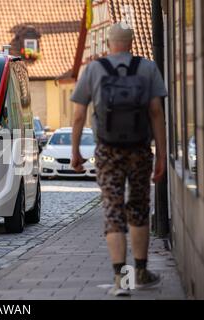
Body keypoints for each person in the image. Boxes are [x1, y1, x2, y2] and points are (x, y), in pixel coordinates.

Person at [70, 23, 168, 296]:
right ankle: (141, 272)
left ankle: (121, 282)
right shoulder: (148, 68)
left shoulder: (94, 69)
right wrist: (161, 153)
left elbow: (78, 115)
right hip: (139, 150)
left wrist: (75, 151)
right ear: (132, 42)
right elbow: (156, 112)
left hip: (107, 151)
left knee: (113, 211)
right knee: (137, 208)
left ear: (108, 43)